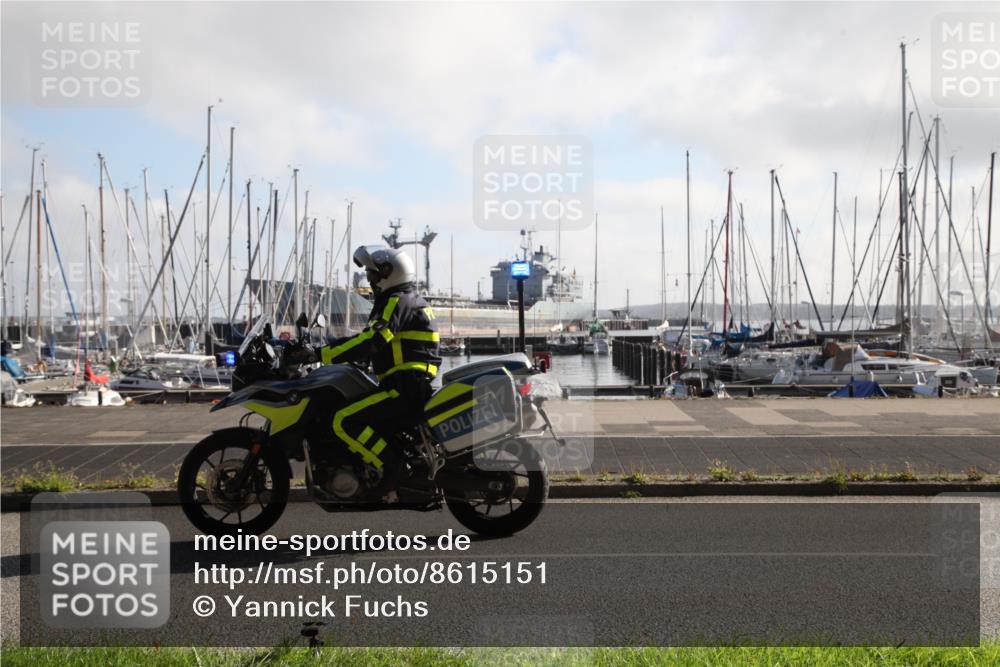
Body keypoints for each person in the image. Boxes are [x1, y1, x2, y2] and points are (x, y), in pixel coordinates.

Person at [288, 245, 441, 499]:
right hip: (408, 383)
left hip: (403, 388)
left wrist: (319, 354)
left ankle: (391, 468)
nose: (370, 281)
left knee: (343, 420)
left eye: (373, 275)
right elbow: (382, 344)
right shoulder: (408, 299)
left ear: (388, 275)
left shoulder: (396, 300)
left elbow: (372, 340)